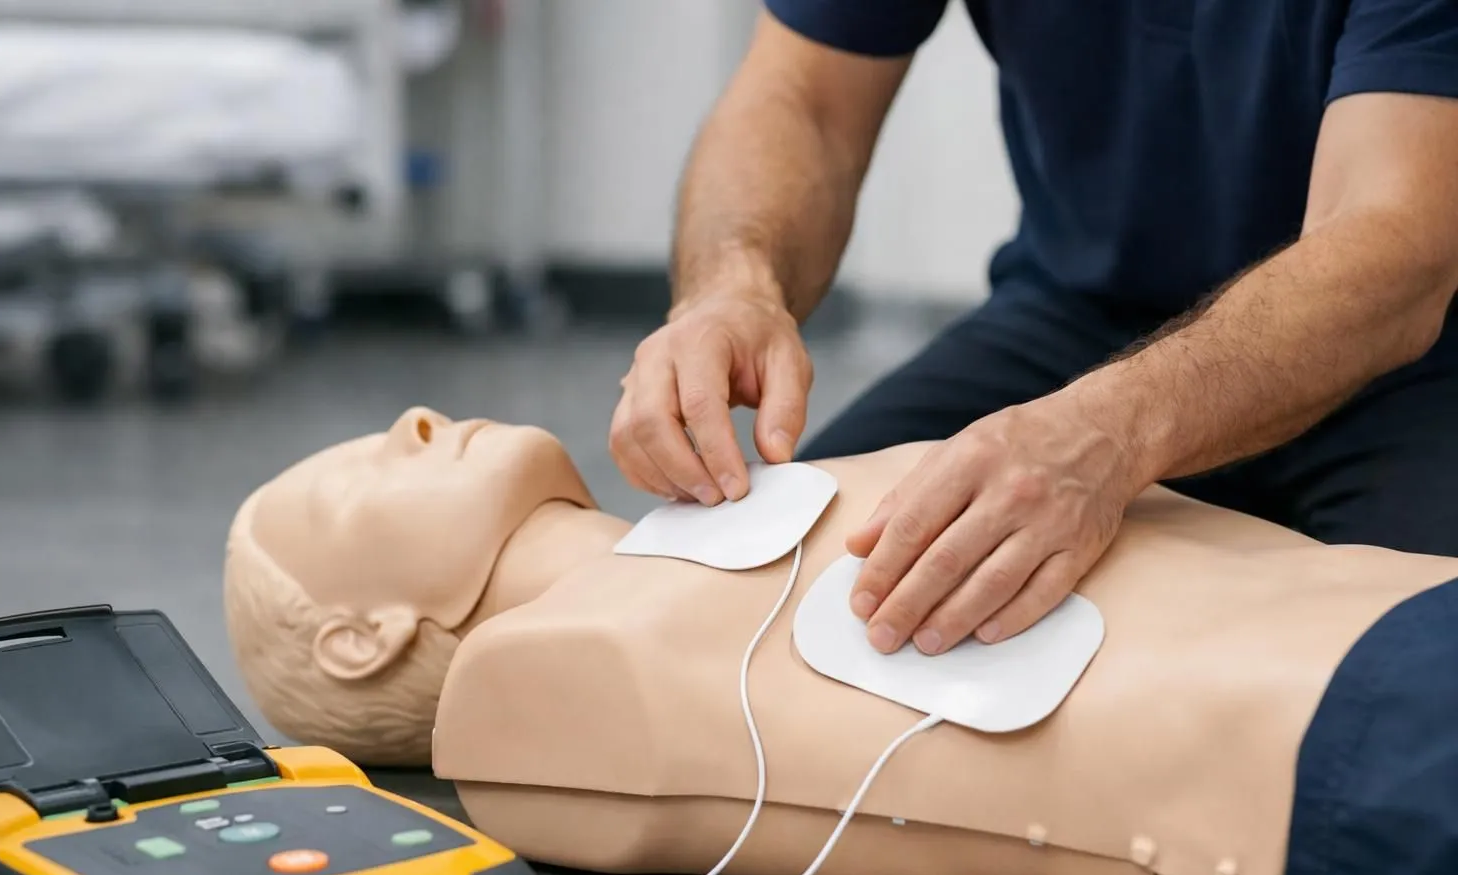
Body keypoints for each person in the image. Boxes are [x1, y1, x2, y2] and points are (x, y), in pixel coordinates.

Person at [225, 407, 1458, 875]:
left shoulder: (736, 509)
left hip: (1402, 616)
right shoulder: (544, 680)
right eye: (350, 477)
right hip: (1351, 750)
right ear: (359, 636)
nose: (415, 423)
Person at [607, 1, 1458, 666]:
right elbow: (806, 99)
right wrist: (732, 288)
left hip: (1408, 363)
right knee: (760, 608)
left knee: (1407, 705)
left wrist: (1115, 431)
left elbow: (1392, 241)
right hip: (1072, 319)